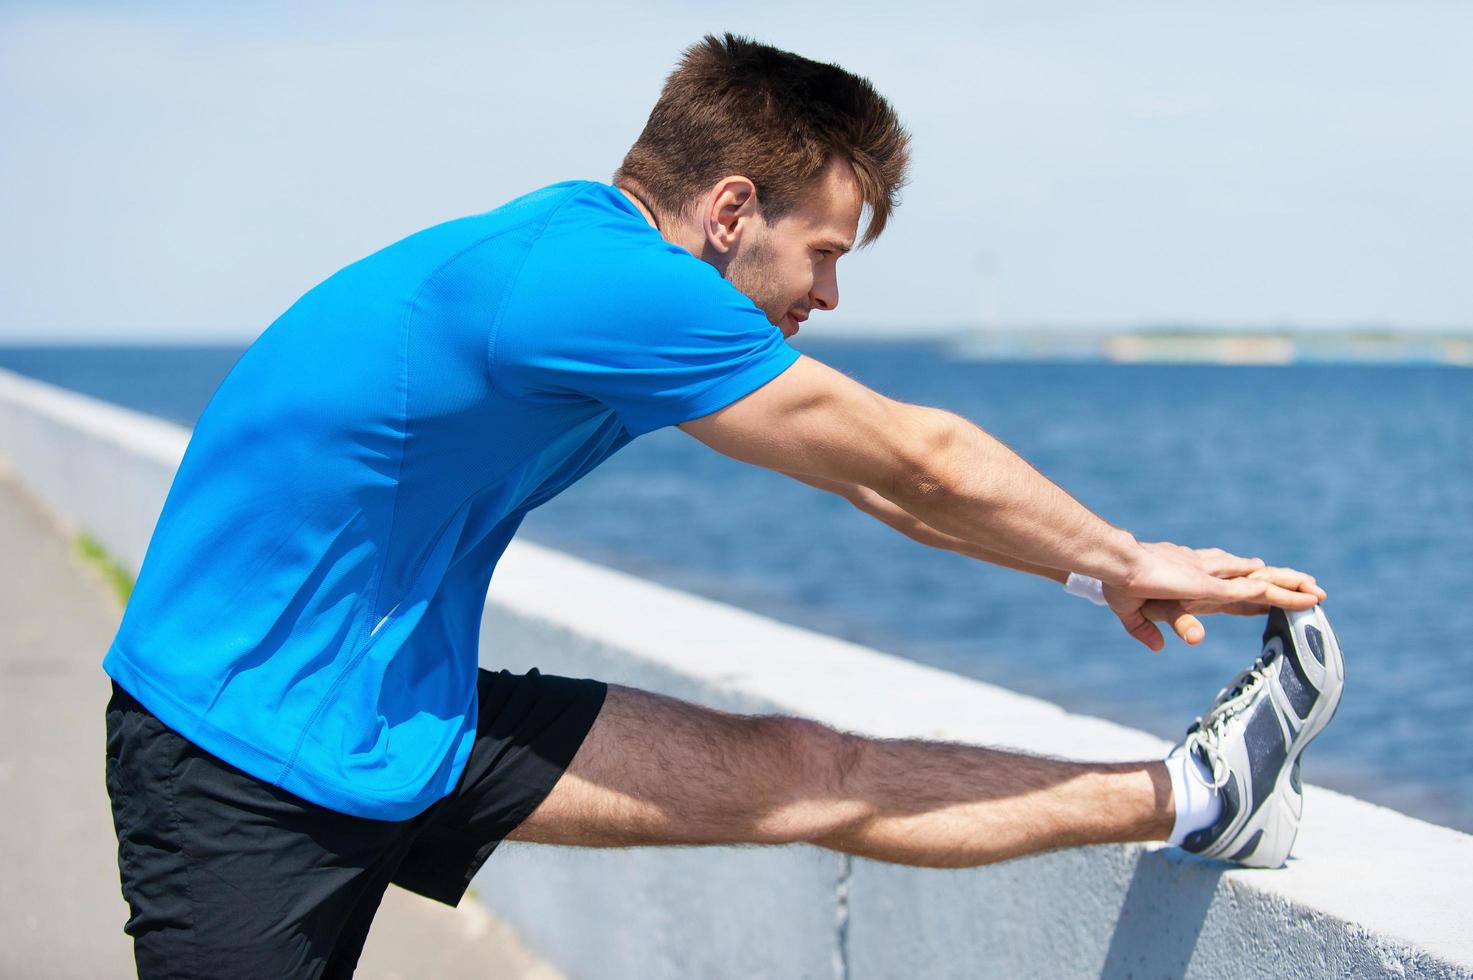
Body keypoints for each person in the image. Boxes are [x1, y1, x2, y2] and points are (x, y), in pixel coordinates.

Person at [101, 32, 1345, 979]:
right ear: (733, 208)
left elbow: (882, 485)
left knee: (804, 767)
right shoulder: (592, 279)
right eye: (829, 249)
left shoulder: (591, 274)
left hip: (398, 709)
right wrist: (1131, 559)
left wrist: (1089, 574)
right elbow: (911, 458)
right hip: (232, 748)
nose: (832, 293)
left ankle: (1197, 791)